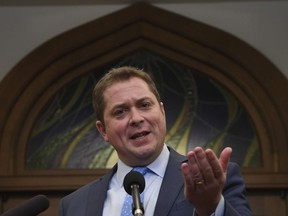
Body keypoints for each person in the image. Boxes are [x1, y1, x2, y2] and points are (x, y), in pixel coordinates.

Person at [59, 66, 252, 216]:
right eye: (120, 112)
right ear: (103, 130)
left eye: (144, 105)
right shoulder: (74, 205)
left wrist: (210, 208)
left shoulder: (211, 181)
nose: (136, 118)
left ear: (162, 112)